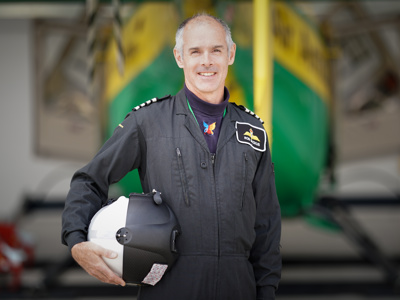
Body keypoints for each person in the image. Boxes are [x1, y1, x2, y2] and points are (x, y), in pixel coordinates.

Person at [62, 13, 281, 300]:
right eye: (195, 52)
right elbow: (89, 180)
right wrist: (77, 241)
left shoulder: (252, 132)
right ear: (179, 57)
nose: (206, 61)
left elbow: (266, 227)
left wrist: (266, 293)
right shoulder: (147, 122)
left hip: (237, 287)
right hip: (170, 287)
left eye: (216, 50)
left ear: (231, 54)